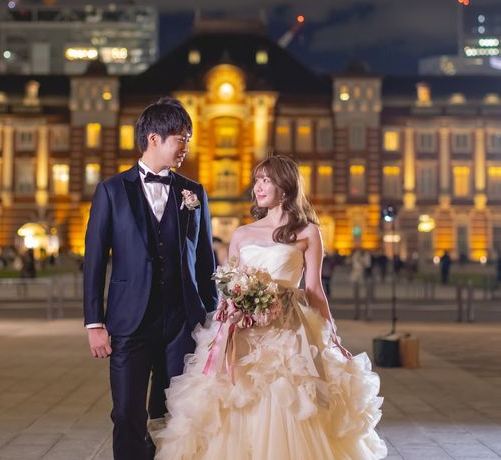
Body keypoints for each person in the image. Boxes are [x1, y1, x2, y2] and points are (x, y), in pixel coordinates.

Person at [152, 155, 386, 459]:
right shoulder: (242, 234)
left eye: (266, 180)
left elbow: (314, 289)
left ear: (285, 187)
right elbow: (229, 283)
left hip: (289, 331)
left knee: (287, 397)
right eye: (257, 180)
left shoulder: (307, 232)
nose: (258, 187)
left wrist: (332, 336)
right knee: (237, 398)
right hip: (244, 332)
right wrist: (229, 309)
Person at [83, 97, 217, 460]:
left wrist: (213, 318)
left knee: (174, 413)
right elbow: (94, 261)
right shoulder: (112, 191)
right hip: (130, 321)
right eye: (181, 139)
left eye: (188, 139)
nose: (186, 147)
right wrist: (94, 323)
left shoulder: (194, 193)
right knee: (127, 413)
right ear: (154, 138)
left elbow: (205, 261)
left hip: (182, 322)